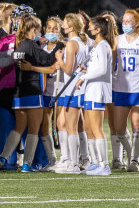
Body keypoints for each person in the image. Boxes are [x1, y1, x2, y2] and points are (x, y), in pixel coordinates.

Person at [0, 14, 63, 172]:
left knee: (18, 128)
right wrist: (59, 46)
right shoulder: (31, 45)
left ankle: (3, 157)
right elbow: (47, 60)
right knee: (34, 130)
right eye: (39, 29)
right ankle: (27, 164)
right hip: (32, 91)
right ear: (34, 29)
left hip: (19, 93)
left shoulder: (19, 44)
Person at [112, 8, 139, 172]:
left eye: (128, 21)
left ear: (137, 23)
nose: (125, 24)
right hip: (121, 88)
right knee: (118, 128)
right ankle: (132, 154)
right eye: (123, 21)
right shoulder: (118, 40)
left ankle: (134, 161)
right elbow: (112, 63)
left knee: (136, 123)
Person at [18, 16, 64, 171]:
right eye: (49, 28)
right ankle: (53, 160)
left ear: (60, 31)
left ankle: (72, 159)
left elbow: (53, 68)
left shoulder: (62, 47)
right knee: (44, 127)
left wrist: (32, 68)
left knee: (62, 126)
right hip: (45, 91)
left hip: (60, 89)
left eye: (55, 28)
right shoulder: (41, 48)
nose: (51, 31)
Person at [75, 15, 116, 175]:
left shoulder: (103, 46)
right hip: (91, 90)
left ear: (98, 30)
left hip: (97, 91)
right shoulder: (99, 46)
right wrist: (86, 70)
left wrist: (84, 77)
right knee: (88, 128)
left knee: (96, 129)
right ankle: (95, 162)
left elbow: (102, 70)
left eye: (91, 26)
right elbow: (96, 68)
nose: (89, 29)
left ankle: (104, 165)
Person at [53, 13, 89, 174]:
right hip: (78, 88)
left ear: (72, 26)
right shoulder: (82, 41)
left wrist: (59, 59)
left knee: (71, 127)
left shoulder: (72, 43)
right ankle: (79, 160)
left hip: (72, 89)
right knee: (74, 126)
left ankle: (73, 164)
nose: (63, 26)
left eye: (66, 23)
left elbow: (68, 69)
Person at [100, 10, 128, 169]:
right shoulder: (98, 42)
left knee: (116, 124)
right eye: (104, 21)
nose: (107, 24)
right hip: (101, 85)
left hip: (115, 85)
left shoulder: (118, 41)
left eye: (109, 21)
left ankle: (119, 158)